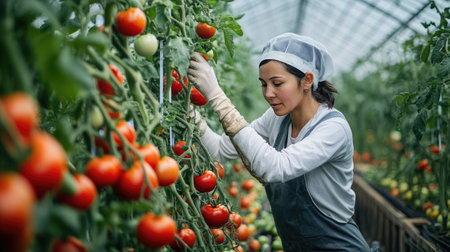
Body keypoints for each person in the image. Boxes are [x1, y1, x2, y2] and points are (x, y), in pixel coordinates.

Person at [188, 32, 370, 251]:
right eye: (264, 84)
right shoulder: (276, 118)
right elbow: (219, 150)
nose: (268, 93)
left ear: (307, 80)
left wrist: (217, 96)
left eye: (277, 83)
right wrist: (189, 113)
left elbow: (274, 168)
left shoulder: (332, 129)